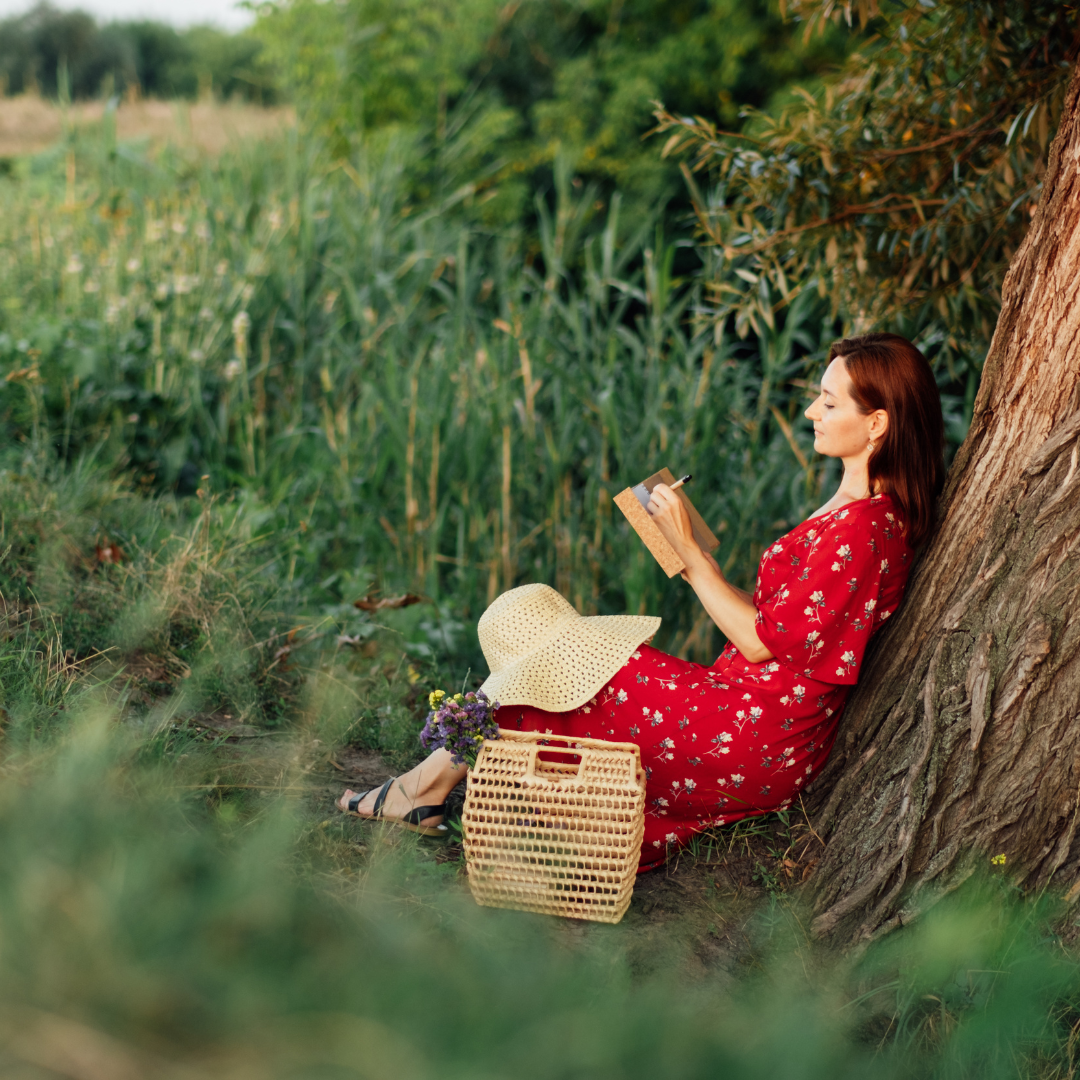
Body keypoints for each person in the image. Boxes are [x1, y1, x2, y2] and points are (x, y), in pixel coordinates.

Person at [338, 333, 945, 868]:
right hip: (739, 707)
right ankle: (433, 785)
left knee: (579, 654)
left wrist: (695, 555)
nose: (812, 410)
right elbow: (774, 623)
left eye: (830, 402)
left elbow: (761, 641)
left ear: (877, 424)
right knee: (532, 620)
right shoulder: (849, 511)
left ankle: (422, 789)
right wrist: (682, 553)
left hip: (755, 735)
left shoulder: (868, 529)